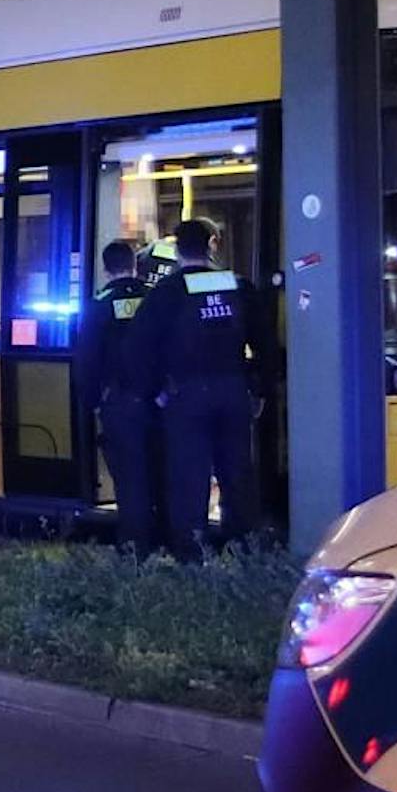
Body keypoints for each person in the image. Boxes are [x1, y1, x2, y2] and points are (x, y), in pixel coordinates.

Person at [126, 216, 277, 558]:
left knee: (188, 478)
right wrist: (259, 388)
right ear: (211, 246)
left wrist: (155, 395)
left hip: (186, 396)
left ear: (178, 251)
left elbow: (139, 349)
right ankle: (246, 552)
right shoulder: (237, 286)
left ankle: (192, 556)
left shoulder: (166, 293)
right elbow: (266, 343)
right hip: (233, 391)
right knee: (237, 474)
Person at [73, 240, 159, 556]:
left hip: (120, 403)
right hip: (157, 401)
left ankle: (135, 547)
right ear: (135, 265)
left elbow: (86, 358)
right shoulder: (154, 298)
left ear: (106, 269)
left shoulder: (99, 304)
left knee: (129, 476)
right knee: (158, 469)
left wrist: (92, 400)